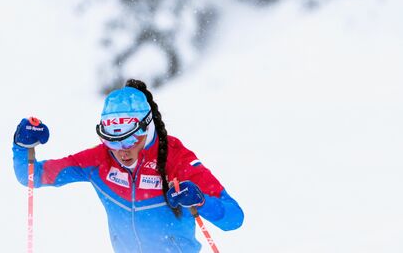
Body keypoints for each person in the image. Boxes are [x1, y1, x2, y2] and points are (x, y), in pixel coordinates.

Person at [12, 79, 244, 252]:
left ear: (148, 127)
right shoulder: (99, 160)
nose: (123, 149)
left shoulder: (177, 159)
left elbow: (234, 218)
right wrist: (22, 146)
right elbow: (31, 176)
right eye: (112, 140)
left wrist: (201, 200)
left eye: (131, 138)